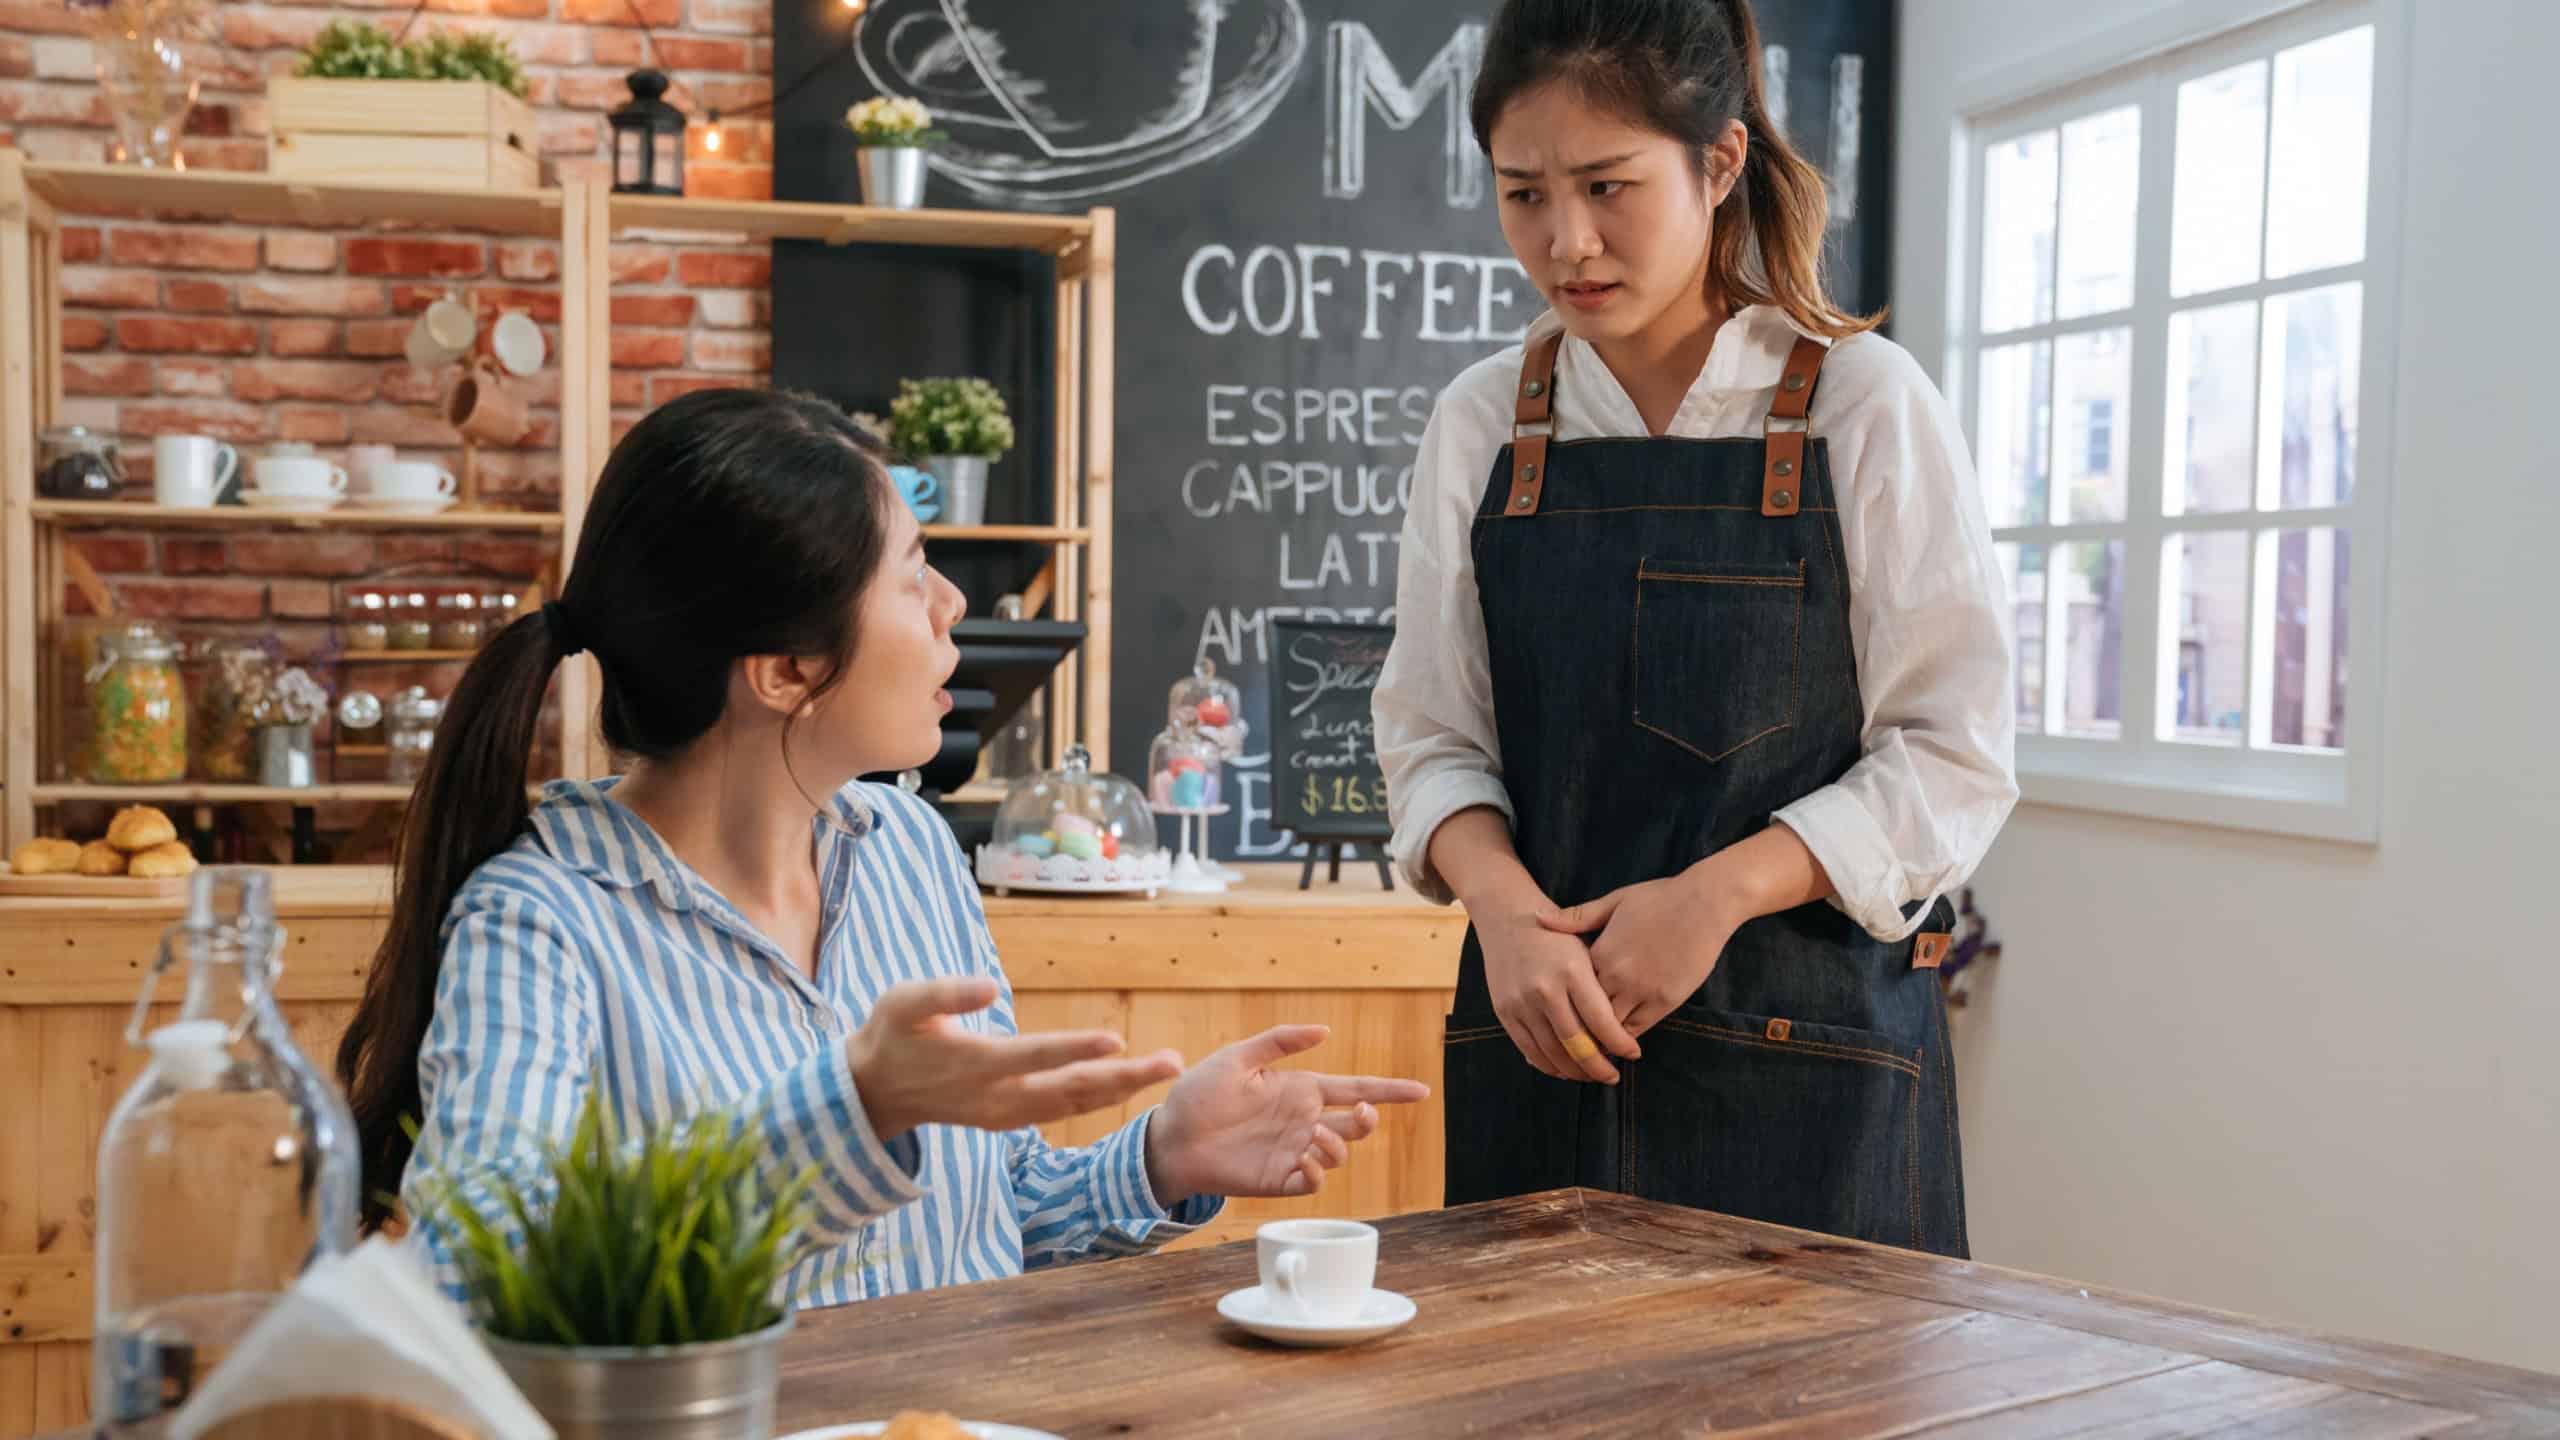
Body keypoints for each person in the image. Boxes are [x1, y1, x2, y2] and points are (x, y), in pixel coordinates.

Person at [337, 388, 1428, 1305]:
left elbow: (985, 1223)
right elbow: (479, 1277)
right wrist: (853, 1110)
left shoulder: (908, 847)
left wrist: (1160, 1157)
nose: (951, 601)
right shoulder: (542, 917)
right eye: (912, 572)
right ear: (787, 672)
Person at [1374, 0, 2015, 1257]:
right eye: (1523, 194)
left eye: (1607, 186)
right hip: (1544, 1061)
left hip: (1812, 1083)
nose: (1566, 241)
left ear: (1719, 162)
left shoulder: (1859, 404)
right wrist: (1501, 910)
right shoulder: (1482, 421)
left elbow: (1955, 753)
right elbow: (1429, 733)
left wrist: (1715, 897)